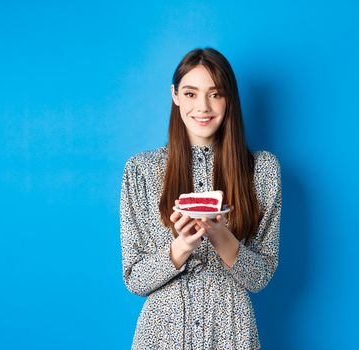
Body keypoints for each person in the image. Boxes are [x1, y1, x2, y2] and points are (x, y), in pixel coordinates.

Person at [119, 47, 281, 350]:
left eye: (215, 94)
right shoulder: (140, 170)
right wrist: (182, 246)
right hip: (160, 336)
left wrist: (221, 236)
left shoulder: (263, 170)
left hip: (232, 333)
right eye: (191, 93)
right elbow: (135, 279)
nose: (203, 107)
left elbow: (260, 278)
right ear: (175, 94)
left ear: (229, 98)